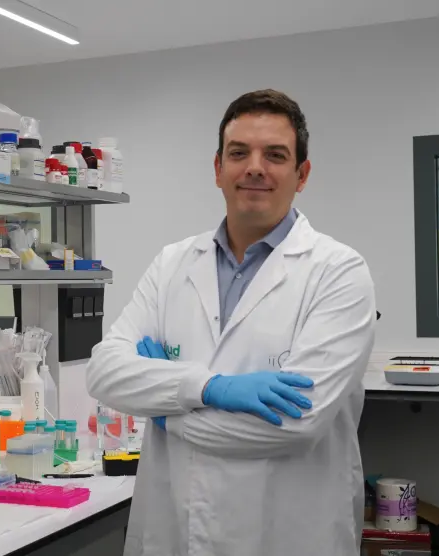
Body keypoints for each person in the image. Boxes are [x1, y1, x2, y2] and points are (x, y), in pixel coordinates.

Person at [86, 89, 376, 556]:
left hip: (285, 535)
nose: (255, 168)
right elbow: (104, 373)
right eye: (239, 153)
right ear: (218, 168)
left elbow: (293, 423)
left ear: (301, 175)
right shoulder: (172, 264)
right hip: (175, 527)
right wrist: (207, 388)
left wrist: (163, 412)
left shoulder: (339, 272)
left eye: (275, 155)